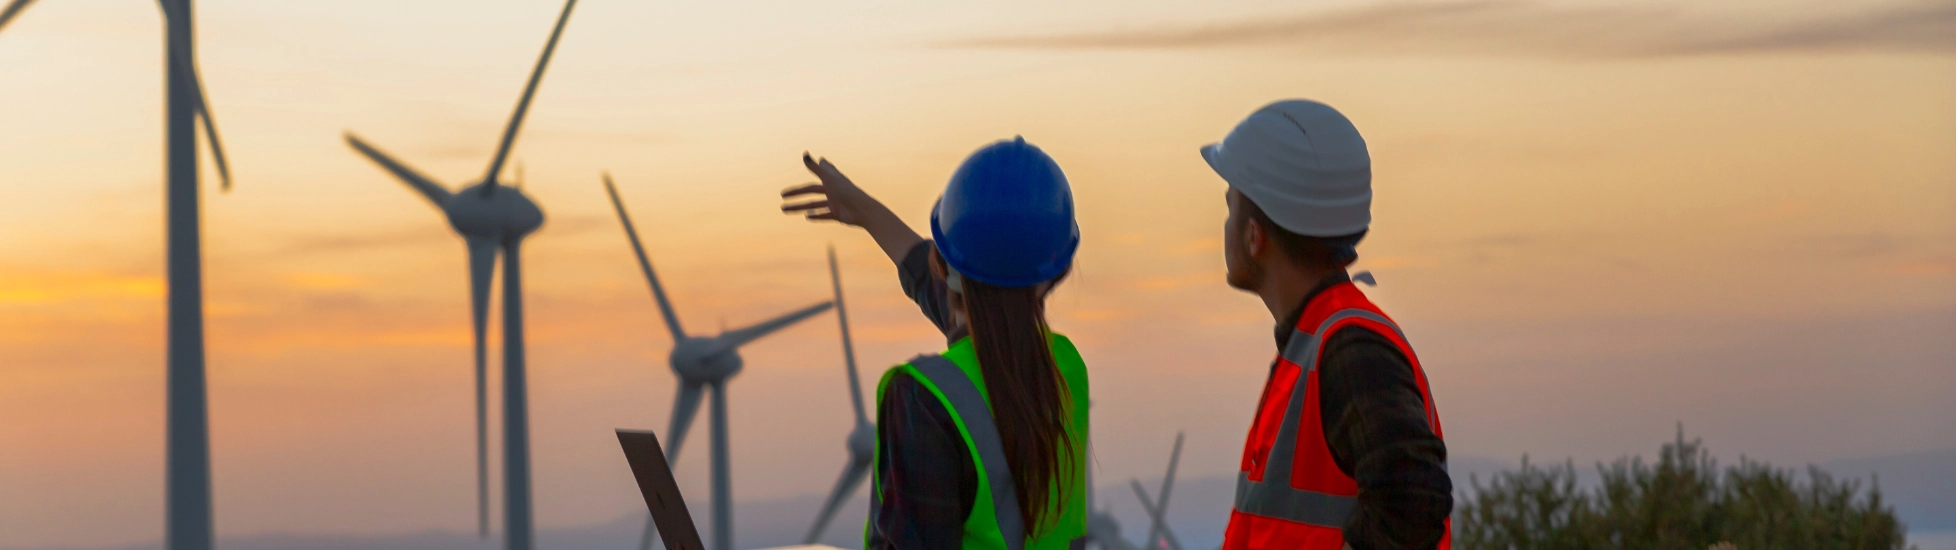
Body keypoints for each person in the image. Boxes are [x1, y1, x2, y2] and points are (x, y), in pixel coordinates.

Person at [781, 137, 1090, 550]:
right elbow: (985, 303)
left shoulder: (925, 400)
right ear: (1060, 270)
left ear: (944, 266)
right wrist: (865, 211)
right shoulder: (1065, 367)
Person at [1205, 100, 1453, 550]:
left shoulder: (1350, 350)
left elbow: (1413, 499)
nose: (1224, 225)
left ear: (1255, 236)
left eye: (1230, 208)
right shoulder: (1317, 343)